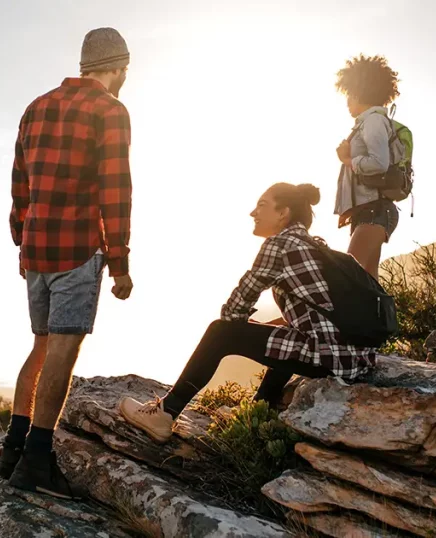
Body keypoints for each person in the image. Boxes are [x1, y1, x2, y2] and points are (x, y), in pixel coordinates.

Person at [118, 183, 376, 443]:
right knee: (283, 335)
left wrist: (239, 326)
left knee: (220, 332)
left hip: (330, 356)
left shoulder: (280, 244)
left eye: (262, 205)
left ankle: (165, 413)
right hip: (352, 355)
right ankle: (260, 411)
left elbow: (233, 311)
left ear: (283, 213)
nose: (253, 212)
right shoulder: (313, 244)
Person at [0, 27, 134, 500]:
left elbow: (20, 183)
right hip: (77, 248)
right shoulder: (111, 111)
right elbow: (116, 191)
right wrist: (120, 262)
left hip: (36, 249)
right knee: (62, 351)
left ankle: (12, 447)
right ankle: (36, 459)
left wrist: (21, 241)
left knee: (40, 346)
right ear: (119, 68)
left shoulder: (36, 107)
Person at [333, 54, 406, 278]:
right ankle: (378, 315)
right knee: (367, 282)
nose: (347, 101)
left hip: (375, 210)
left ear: (358, 91)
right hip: (370, 211)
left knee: (346, 277)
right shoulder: (367, 123)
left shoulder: (373, 120)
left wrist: (347, 160)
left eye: (349, 95)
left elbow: (379, 163)